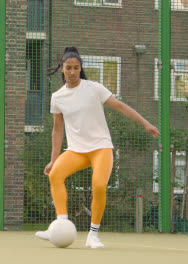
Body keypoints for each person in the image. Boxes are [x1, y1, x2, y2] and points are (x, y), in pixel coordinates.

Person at [35, 46, 160, 249]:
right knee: (55, 174)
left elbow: (120, 106)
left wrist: (145, 123)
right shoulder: (57, 97)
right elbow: (57, 131)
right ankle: (60, 225)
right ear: (62, 69)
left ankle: (93, 235)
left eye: (76, 68)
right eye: (69, 68)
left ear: (80, 68)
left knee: (99, 185)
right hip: (76, 151)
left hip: (100, 148)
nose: (73, 72)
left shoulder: (93, 88)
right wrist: (53, 158)